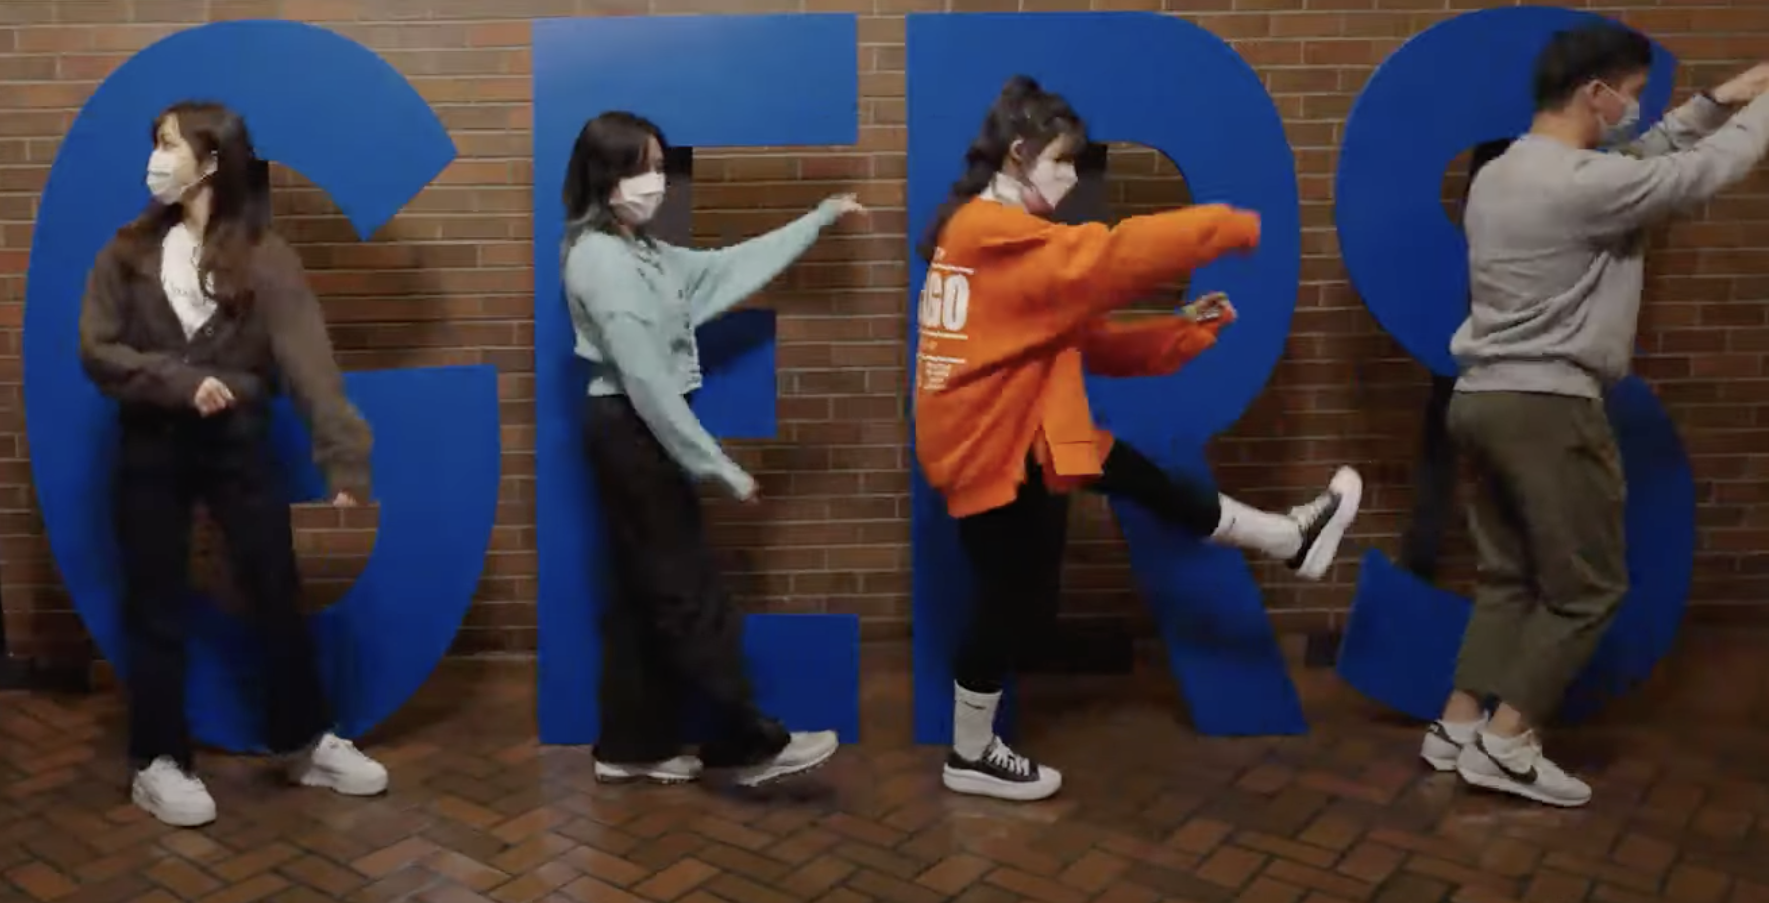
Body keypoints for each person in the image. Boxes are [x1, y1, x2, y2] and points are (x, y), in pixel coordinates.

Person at [911, 76, 1361, 803]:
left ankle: (1286, 539)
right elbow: (1110, 258)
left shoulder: (988, 232)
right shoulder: (990, 232)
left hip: (1026, 431)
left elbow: (1092, 341)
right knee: (1007, 601)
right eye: (1061, 163)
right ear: (1020, 153)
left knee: (1137, 483)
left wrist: (1186, 327)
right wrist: (1228, 227)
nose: (1067, 180)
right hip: (996, 445)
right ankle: (969, 755)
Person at [1423, 25, 1769, 808]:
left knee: (1508, 576)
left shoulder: (1505, 174)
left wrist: (1716, 99)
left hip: (1482, 401)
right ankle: (1507, 743)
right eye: (1631, 95)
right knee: (1589, 588)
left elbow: (1646, 157)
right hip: (1547, 408)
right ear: (1592, 94)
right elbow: (1705, 172)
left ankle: (1459, 723)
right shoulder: (1580, 186)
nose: (1636, 110)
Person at [77, 100, 388, 828]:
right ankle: (159, 760)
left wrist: (346, 466)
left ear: (212, 161)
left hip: (239, 444)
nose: (156, 157)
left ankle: (303, 744)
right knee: (155, 603)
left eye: (169, 144)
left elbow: (312, 367)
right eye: (154, 142)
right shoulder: (123, 252)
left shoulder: (266, 257)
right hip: (151, 443)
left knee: (275, 590)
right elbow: (98, 349)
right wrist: (179, 382)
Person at [559, 110, 855, 789]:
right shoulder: (601, 260)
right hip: (631, 429)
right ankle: (744, 745)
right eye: (640, 167)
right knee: (688, 591)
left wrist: (814, 221)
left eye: (661, 167)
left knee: (643, 596)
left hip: (633, 428)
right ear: (605, 175)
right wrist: (715, 463)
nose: (654, 182)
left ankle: (630, 746)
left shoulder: (643, 251)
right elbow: (647, 382)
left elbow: (723, 270)